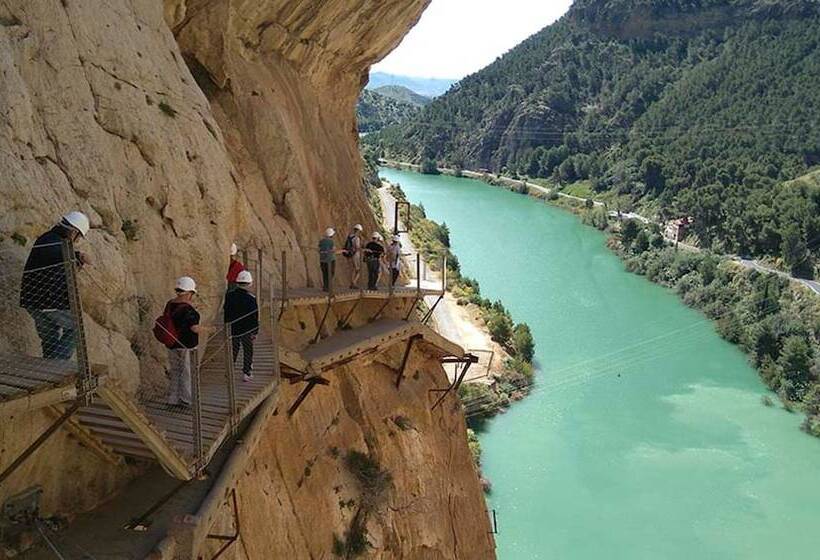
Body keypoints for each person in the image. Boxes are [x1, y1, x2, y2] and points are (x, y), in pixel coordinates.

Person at [20, 211, 92, 360]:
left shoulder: (48, 238)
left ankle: (49, 366)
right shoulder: (54, 242)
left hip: (33, 301)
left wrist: (76, 260)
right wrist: (79, 256)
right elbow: (56, 253)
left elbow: (57, 260)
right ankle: (57, 364)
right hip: (47, 302)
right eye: (78, 237)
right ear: (73, 232)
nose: (77, 241)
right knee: (77, 328)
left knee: (50, 338)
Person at [162, 276, 201, 408]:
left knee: (175, 371)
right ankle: (186, 399)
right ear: (189, 293)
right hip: (186, 345)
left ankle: (172, 399)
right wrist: (210, 329)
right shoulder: (188, 310)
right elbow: (194, 328)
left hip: (172, 344)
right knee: (186, 372)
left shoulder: (170, 304)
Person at [223, 270, 259, 382]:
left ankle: (229, 373)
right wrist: (255, 331)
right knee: (248, 350)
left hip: (233, 328)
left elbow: (226, 311)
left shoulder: (229, 296)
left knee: (233, 350)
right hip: (247, 330)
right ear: (249, 284)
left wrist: (226, 325)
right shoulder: (251, 298)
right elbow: (254, 316)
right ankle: (246, 372)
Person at [343, 224, 364, 289]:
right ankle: (354, 283)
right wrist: (362, 248)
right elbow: (357, 247)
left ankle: (352, 282)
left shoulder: (349, 236)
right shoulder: (356, 238)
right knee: (358, 270)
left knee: (353, 269)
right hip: (355, 255)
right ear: (359, 231)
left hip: (349, 254)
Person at [318, 227, 336, 292]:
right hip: (330, 259)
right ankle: (329, 287)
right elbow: (333, 249)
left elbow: (319, 249)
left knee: (324, 274)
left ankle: (325, 287)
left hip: (322, 260)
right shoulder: (331, 242)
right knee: (331, 273)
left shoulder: (321, 241)